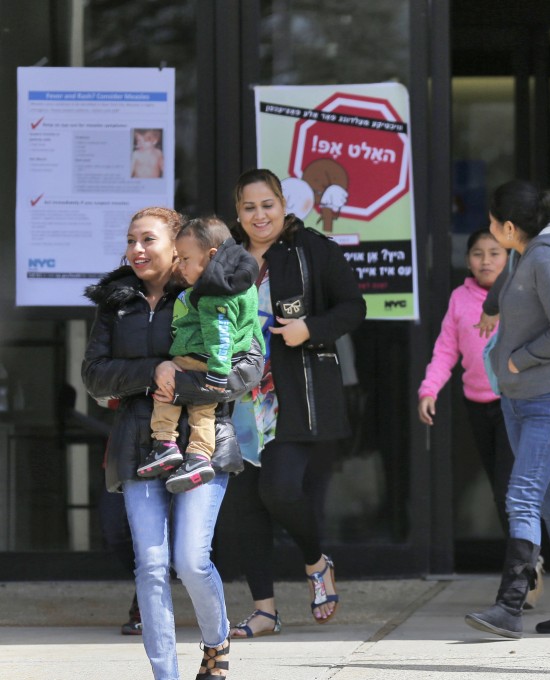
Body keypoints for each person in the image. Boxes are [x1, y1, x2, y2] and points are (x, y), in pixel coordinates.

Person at [82, 206, 264, 680]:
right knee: (152, 565)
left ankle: (216, 639)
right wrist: (152, 371)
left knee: (190, 559)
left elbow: (249, 365)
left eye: (148, 240)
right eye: (130, 241)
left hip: (203, 440)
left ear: (176, 245)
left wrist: (184, 383)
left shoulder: (210, 286)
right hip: (138, 444)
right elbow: (94, 375)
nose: (136, 250)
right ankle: (167, 675)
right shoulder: (115, 301)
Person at [226, 168, 366, 639]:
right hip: (237, 399)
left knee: (280, 490)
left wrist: (310, 329)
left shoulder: (313, 250)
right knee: (247, 506)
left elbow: (353, 307)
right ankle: (264, 610)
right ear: (238, 213)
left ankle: (316, 560)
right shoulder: (227, 259)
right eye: (249, 207)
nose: (259, 215)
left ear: (283, 204)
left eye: (266, 204)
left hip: (294, 394)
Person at [465, 180, 550, 639]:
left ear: (508, 228)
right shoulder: (525, 253)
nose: (487, 229)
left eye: (491, 222)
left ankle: (509, 606)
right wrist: (489, 305)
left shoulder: (546, 259)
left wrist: (516, 359)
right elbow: (508, 284)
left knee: (521, 495)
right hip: (519, 400)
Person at [140, 217, 262, 494]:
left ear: (211, 256)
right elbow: (252, 324)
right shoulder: (245, 284)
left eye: (184, 258)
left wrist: (218, 372)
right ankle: (199, 457)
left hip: (201, 357)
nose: (179, 266)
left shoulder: (212, 295)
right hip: (226, 360)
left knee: (167, 391)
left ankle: (164, 443)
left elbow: (219, 333)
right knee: (203, 411)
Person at [418, 228, 512, 533]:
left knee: (507, 487)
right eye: (478, 254)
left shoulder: (520, 293)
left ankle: (525, 561)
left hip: (515, 404)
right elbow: (446, 350)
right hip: (477, 404)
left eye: (494, 253)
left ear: (509, 258)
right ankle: (528, 558)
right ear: (468, 261)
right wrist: (429, 390)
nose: (486, 261)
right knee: (499, 487)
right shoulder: (459, 298)